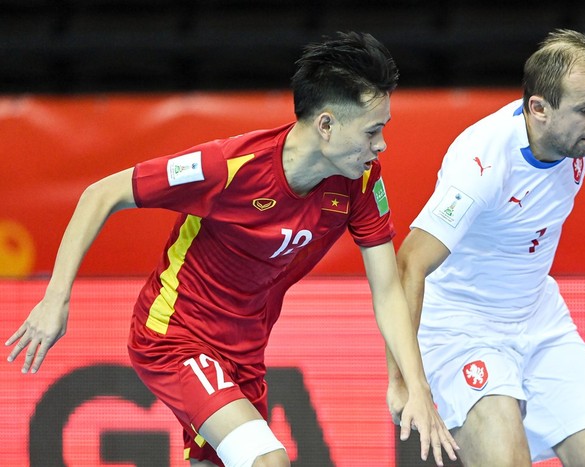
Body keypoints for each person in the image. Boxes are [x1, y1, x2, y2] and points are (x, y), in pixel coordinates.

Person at [5, 31, 459, 467]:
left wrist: (413, 384)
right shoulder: (228, 167)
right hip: (175, 337)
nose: (380, 145)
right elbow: (101, 194)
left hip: (244, 356)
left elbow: (387, 291)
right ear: (326, 124)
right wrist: (56, 299)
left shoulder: (361, 181)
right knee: (267, 459)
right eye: (371, 131)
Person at [386, 29, 585, 466]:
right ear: (538, 109)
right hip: (465, 330)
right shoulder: (482, 164)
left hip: (540, 319)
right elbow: (408, 265)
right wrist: (405, 380)